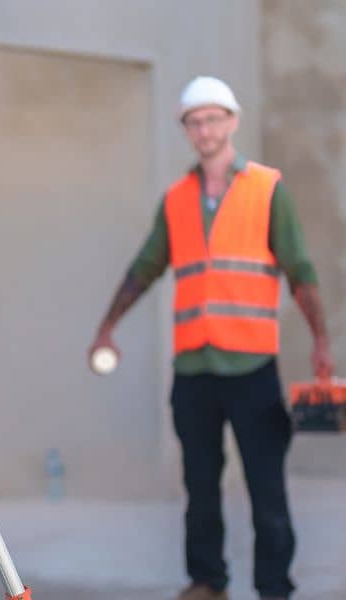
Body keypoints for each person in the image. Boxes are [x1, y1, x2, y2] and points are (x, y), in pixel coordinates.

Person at [87, 76, 334, 600]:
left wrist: (320, 341)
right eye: (195, 122)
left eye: (214, 119)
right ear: (186, 129)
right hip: (195, 372)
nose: (205, 130)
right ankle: (207, 582)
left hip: (252, 369)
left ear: (232, 122)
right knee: (200, 487)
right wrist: (107, 326)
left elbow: (300, 270)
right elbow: (144, 268)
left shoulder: (268, 190)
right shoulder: (176, 200)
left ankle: (274, 588)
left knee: (266, 488)